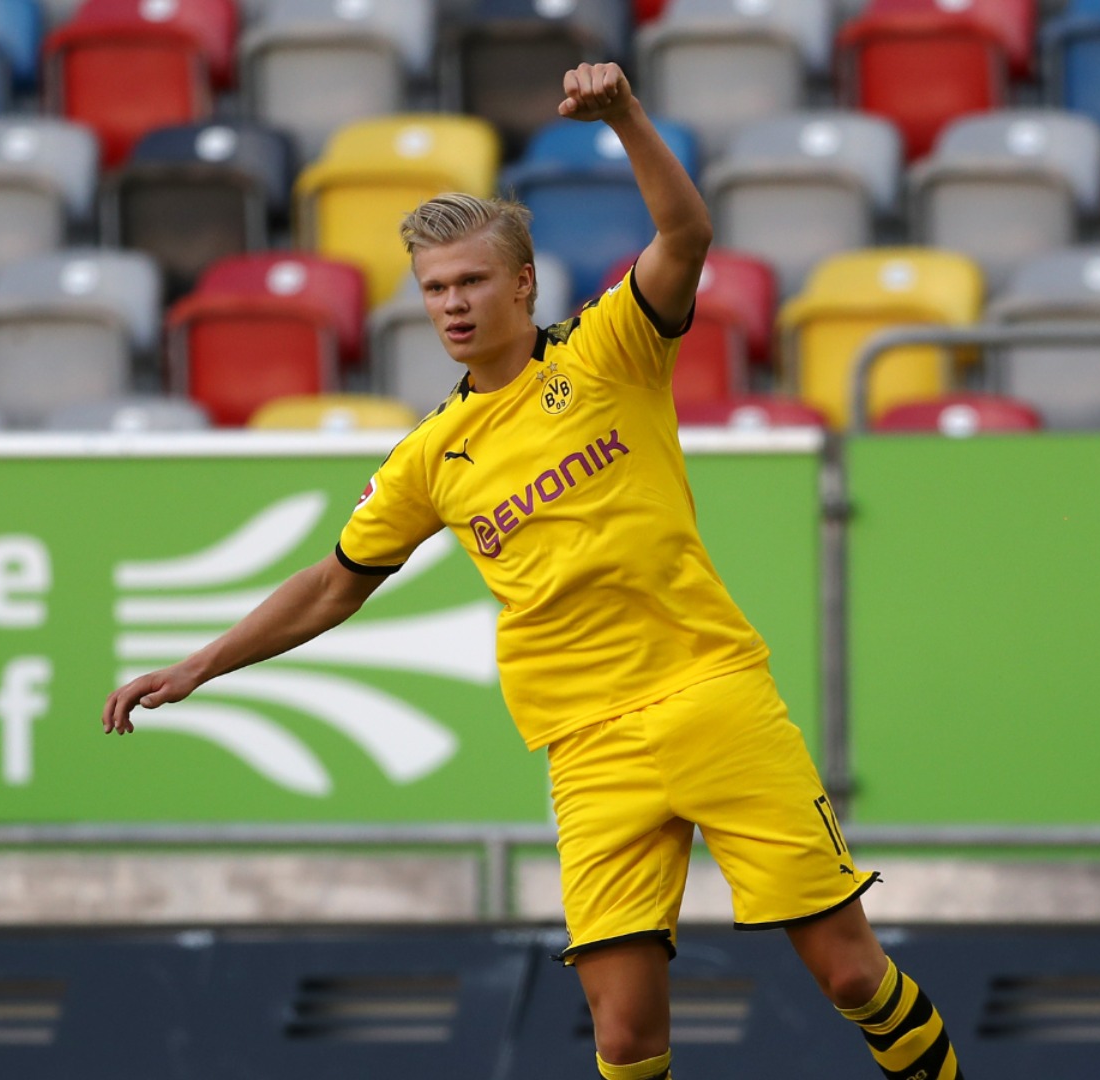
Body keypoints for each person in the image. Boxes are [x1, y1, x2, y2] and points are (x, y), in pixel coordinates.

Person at [103, 62, 959, 1080]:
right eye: (434, 290)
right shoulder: (430, 456)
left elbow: (686, 238)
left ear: (522, 283)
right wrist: (201, 664)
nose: (453, 305)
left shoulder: (610, 353)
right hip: (585, 748)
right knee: (626, 1034)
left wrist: (628, 119)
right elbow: (334, 584)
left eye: (470, 282)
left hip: (712, 698)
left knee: (853, 978)